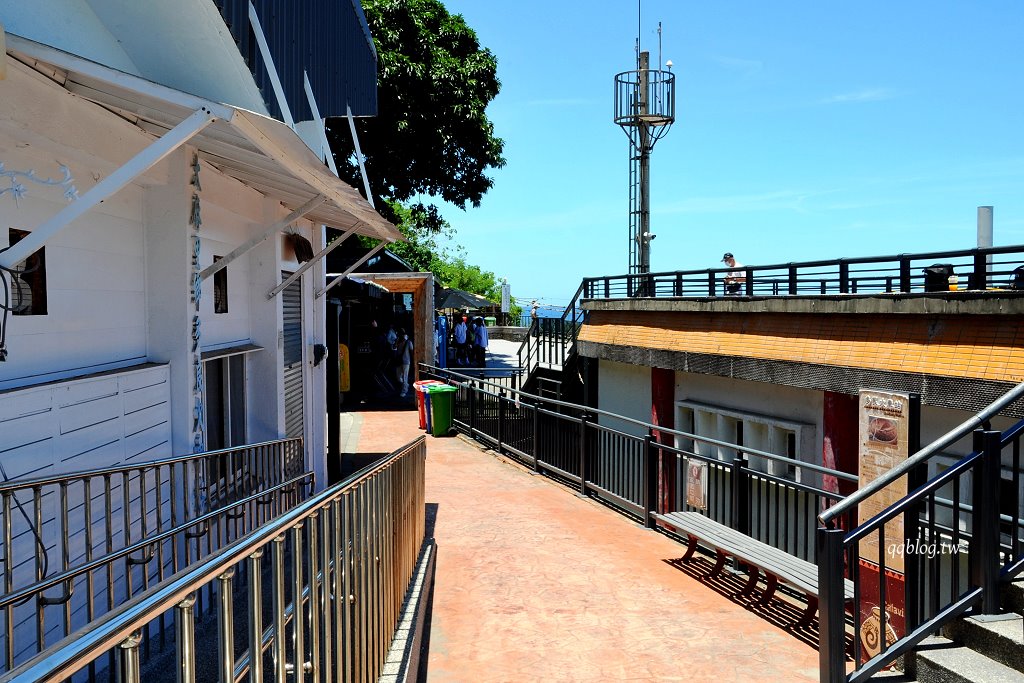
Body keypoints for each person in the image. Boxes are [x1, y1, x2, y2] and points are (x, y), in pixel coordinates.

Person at [394, 329, 413, 397]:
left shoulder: (409, 342)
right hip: (399, 361)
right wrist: (396, 342)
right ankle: (406, 385)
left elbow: (411, 352)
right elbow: (394, 348)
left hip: (406, 361)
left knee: (405, 377)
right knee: (398, 377)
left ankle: (404, 390)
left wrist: (412, 361)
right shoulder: (398, 341)